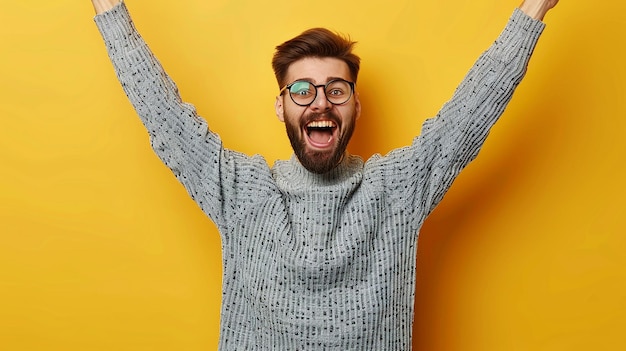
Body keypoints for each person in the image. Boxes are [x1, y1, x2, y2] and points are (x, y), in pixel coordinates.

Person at [91, 0, 558, 349]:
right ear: (281, 106)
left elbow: (468, 113)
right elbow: (165, 116)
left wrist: (533, 8)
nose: (319, 102)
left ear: (356, 105)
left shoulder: (395, 190)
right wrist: (110, 9)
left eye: (336, 90)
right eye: (301, 90)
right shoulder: (241, 191)